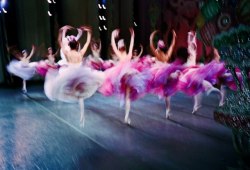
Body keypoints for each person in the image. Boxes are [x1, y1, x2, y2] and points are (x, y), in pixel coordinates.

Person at [44, 26, 104, 127]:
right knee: (80, 96)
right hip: (81, 74)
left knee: (63, 87)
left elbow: (59, 41)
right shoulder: (80, 53)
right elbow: (87, 43)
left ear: (70, 45)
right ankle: (82, 117)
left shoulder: (67, 53)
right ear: (77, 46)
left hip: (70, 74)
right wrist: (89, 32)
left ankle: (60, 104)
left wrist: (61, 31)